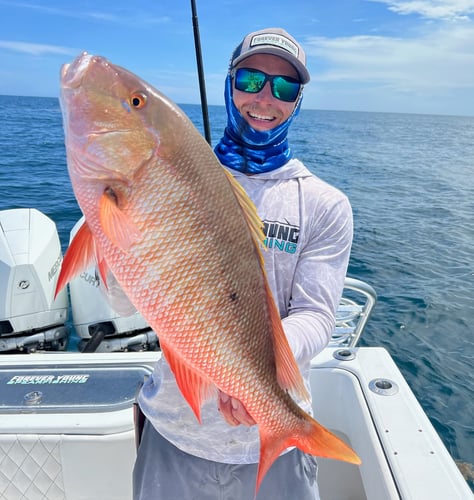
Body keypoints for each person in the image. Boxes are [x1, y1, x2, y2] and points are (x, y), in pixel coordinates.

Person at [133, 27, 353, 500]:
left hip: (275, 434)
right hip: (175, 429)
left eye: (285, 87)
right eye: (251, 80)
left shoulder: (323, 203)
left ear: (298, 101)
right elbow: (127, 294)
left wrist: (253, 372)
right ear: (229, 84)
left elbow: (316, 315)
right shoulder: (171, 178)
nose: (265, 99)